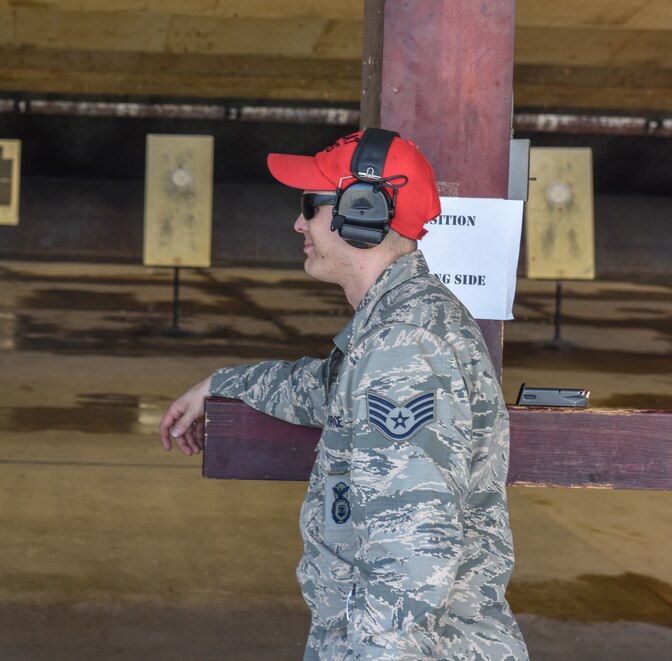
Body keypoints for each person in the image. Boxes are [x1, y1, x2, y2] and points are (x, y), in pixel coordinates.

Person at [159, 129, 528, 660]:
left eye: (310, 205)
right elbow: (330, 388)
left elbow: (411, 559)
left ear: (362, 212)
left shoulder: (406, 345)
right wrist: (222, 383)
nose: (298, 222)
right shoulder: (399, 324)